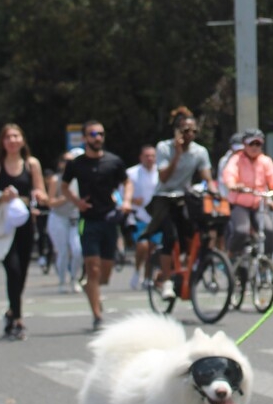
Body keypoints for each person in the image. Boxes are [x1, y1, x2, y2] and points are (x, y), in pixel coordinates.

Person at [61, 120, 132, 331]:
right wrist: (77, 203)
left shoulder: (114, 162)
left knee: (105, 274)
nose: (97, 137)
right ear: (84, 138)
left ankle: (92, 290)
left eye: (100, 134)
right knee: (92, 268)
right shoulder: (76, 164)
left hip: (110, 220)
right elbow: (64, 187)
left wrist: (126, 201)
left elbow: (126, 182)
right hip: (88, 221)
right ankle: (97, 316)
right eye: (93, 134)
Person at [0, 124, 48, 340]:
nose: (12, 140)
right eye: (8, 137)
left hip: (25, 222)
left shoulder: (31, 164)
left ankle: (12, 311)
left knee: (23, 271)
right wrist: (3, 196)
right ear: (2, 142)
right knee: (13, 269)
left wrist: (36, 196)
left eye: (16, 136)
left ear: (22, 140)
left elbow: (41, 192)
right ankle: (18, 319)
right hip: (4, 225)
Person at [153, 107, 213, 300]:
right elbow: (163, 177)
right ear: (177, 131)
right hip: (164, 197)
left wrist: (213, 190)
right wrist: (177, 154)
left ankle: (187, 274)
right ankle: (166, 282)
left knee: (194, 235)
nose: (190, 135)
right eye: (186, 131)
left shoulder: (199, 151)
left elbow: (207, 178)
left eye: (194, 131)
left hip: (184, 197)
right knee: (169, 237)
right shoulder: (164, 148)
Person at [222, 128, 273, 260]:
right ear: (244, 145)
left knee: (269, 231)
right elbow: (229, 174)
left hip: (258, 204)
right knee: (241, 231)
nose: (255, 147)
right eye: (251, 144)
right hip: (240, 204)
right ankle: (231, 254)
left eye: (258, 144)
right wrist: (233, 185)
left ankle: (265, 263)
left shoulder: (265, 161)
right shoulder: (236, 159)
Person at [46, 152, 82, 293]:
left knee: (77, 250)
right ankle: (62, 281)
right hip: (58, 218)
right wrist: (67, 197)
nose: (68, 164)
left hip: (75, 218)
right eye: (65, 161)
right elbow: (50, 202)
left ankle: (74, 279)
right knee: (63, 252)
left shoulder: (79, 179)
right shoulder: (56, 180)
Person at [126, 144, 160, 290]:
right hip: (138, 217)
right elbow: (120, 195)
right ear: (141, 157)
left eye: (152, 156)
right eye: (147, 156)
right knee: (142, 246)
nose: (150, 159)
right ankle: (136, 270)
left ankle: (147, 278)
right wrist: (132, 201)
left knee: (152, 249)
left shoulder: (160, 172)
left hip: (156, 217)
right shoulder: (131, 173)